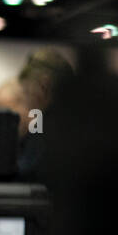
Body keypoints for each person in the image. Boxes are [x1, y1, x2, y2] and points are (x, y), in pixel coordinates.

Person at [16, 49, 74, 182]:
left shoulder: (46, 125)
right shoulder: (47, 120)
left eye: (25, 91)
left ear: (44, 85)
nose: (25, 100)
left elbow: (24, 171)